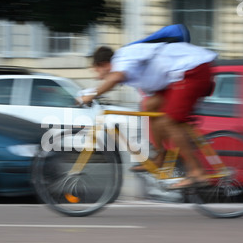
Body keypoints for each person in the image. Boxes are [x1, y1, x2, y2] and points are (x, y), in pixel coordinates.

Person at [81, 41, 217, 189]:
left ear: (104, 65)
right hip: (178, 76)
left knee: (169, 122)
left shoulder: (122, 60)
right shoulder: (128, 68)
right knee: (150, 106)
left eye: (98, 72)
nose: (99, 78)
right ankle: (161, 156)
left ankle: (197, 171)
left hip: (192, 70)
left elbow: (114, 78)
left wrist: (91, 95)